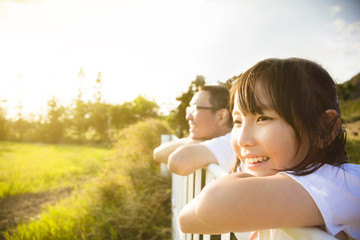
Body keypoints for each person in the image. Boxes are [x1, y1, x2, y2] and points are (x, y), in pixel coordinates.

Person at [178, 58, 360, 239]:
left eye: (263, 118)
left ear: (322, 129)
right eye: (238, 121)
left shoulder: (344, 182)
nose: (242, 140)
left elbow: (214, 203)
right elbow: (185, 220)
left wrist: (238, 179)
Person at [153, 85, 235, 175]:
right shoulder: (219, 141)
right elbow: (158, 154)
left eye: (195, 108)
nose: (188, 117)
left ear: (221, 116)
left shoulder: (233, 143)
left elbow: (177, 162)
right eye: (189, 109)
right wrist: (198, 141)